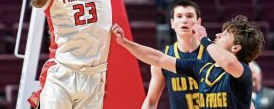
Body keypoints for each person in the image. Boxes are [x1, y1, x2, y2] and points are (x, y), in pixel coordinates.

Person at [112, 15, 265, 109]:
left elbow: (229, 63)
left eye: (224, 35)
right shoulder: (201, 68)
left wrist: (203, 39)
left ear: (236, 47)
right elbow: (158, 58)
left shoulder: (243, 72)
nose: (217, 35)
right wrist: (125, 43)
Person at [142, 0, 212, 109]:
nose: (184, 20)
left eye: (189, 16)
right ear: (172, 23)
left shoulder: (213, 52)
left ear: (198, 22)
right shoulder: (164, 57)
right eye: (179, 16)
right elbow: (151, 102)